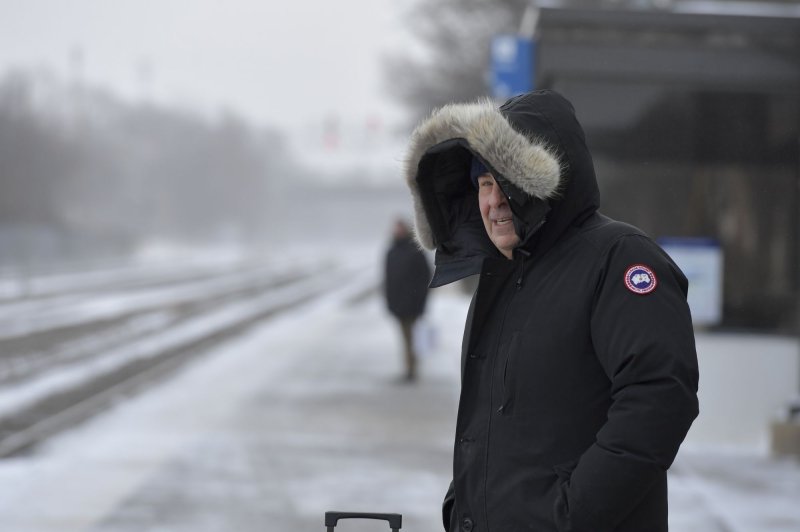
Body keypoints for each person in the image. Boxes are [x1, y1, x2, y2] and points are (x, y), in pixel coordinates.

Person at [403, 89, 699, 531]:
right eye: (483, 184)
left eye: (506, 182)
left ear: (545, 183)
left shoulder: (620, 259)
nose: (493, 201)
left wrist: (571, 513)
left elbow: (659, 395)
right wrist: (462, 504)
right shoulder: (501, 278)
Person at [383, 218, 432, 382]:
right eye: (396, 228)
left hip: (413, 303)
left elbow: (425, 277)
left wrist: (421, 300)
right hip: (398, 303)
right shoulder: (391, 252)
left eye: (400, 228)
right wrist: (389, 302)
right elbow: (387, 280)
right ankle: (409, 367)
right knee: (405, 338)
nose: (397, 231)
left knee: (412, 337)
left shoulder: (416, 251)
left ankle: (411, 369)